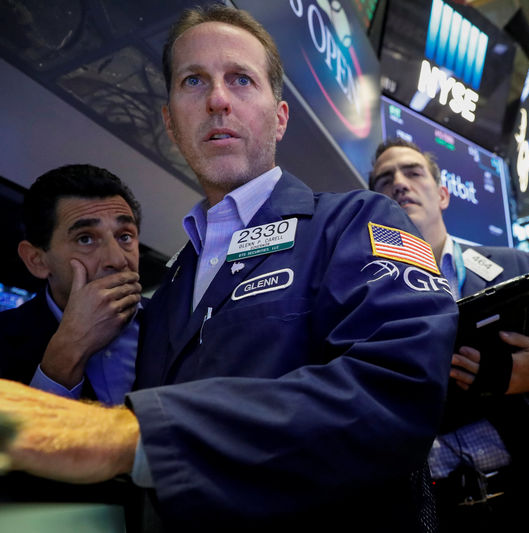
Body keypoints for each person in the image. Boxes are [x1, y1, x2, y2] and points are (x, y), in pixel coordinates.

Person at [0, 5, 458, 532]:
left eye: (241, 79)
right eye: (194, 81)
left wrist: (137, 435)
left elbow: (399, 392)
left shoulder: (355, 221)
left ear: (279, 117)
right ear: (171, 121)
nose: (218, 100)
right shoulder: (170, 287)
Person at [369, 138, 529, 533]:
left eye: (413, 172)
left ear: (443, 194)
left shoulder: (518, 270)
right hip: (442, 516)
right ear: (373, 209)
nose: (399, 183)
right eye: (384, 180)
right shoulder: (366, 303)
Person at [0, 164, 142, 406]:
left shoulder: (176, 323)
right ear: (37, 260)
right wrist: (69, 349)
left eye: (125, 236)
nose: (118, 260)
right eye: (85, 238)